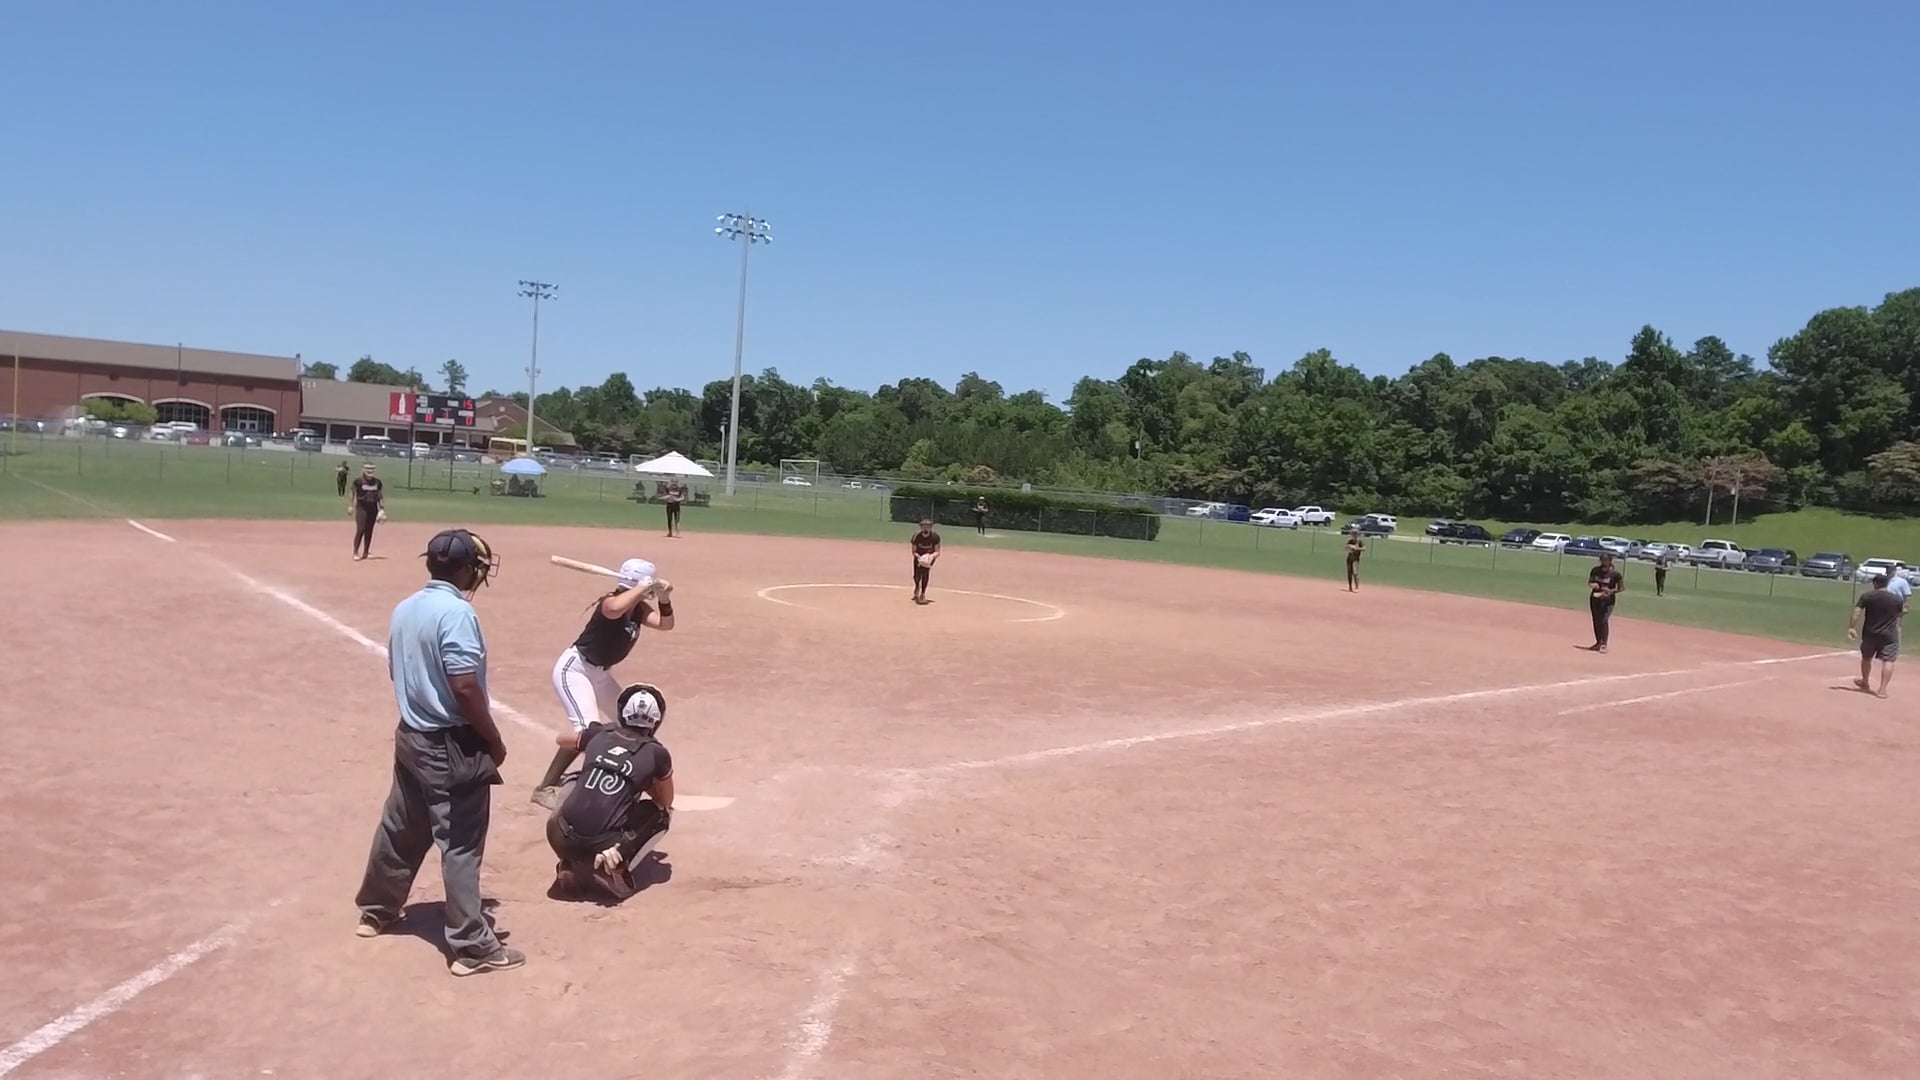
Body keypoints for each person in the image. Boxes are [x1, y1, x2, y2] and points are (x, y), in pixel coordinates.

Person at [353, 529, 524, 977]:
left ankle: (377, 910)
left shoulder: (405, 607)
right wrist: (492, 739)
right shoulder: (457, 613)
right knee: (462, 842)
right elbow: (464, 685)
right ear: (466, 568)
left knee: (401, 826)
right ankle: (472, 946)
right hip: (450, 744)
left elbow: (398, 670)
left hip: (411, 734)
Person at [532, 559, 675, 809]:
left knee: (630, 722)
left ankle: (634, 781)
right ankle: (545, 788)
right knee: (587, 731)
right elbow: (614, 610)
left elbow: (666, 625)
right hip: (575, 670)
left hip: (599, 674)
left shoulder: (638, 608)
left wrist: (664, 598)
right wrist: (642, 588)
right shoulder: (610, 601)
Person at [545, 683, 675, 901]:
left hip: (558, 834)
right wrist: (641, 780)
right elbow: (665, 800)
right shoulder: (657, 753)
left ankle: (570, 862)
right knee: (661, 815)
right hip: (601, 842)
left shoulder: (600, 733)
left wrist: (596, 746)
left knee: (575, 780)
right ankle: (615, 868)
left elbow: (561, 739)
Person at [1848, 574, 1904, 698]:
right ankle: (1882, 690)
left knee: (1866, 658)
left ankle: (1865, 682)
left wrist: (1851, 627)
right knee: (1888, 660)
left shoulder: (1867, 596)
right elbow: (1900, 614)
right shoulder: (1897, 599)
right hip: (1890, 634)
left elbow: (1857, 612)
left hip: (1870, 633)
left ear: (1875, 583)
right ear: (1887, 584)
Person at [346, 462, 386, 561]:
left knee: (369, 530)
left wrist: (382, 508)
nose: (370, 472)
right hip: (361, 507)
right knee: (361, 529)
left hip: (373, 508)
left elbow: (380, 495)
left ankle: (366, 552)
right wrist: (350, 505)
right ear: (364, 471)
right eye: (368, 470)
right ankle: (355, 552)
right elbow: (352, 492)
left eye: (372, 470)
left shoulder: (377, 482)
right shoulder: (358, 481)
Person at [1587, 553, 1625, 652]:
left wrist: (1610, 591)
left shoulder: (1615, 574)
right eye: (1602, 560)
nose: (1603, 562)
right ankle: (1598, 642)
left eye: (1605, 560)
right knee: (1596, 620)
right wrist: (1593, 584)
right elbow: (1590, 582)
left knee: (1604, 619)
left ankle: (1604, 644)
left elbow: (1621, 588)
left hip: (1608, 600)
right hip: (1595, 598)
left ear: (1610, 561)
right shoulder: (1595, 570)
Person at [911, 519, 941, 605]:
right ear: (921, 527)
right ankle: (917, 586)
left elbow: (937, 551)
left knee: (925, 573)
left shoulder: (935, 537)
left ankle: (923, 593)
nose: (926, 528)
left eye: (928, 526)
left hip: (929, 558)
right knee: (916, 576)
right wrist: (920, 558)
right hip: (919, 557)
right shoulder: (916, 536)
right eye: (924, 526)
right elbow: (914, 551)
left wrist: (930, 557)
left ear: (931, 527)